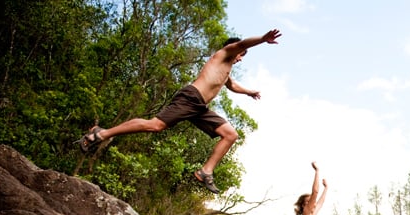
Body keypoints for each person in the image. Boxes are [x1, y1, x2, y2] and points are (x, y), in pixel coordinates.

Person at [76, 29, 282, 194]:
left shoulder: (227, 68)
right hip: (190, 98)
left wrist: (249, 92)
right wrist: (263, 39)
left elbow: (231, 85)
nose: (240, 59)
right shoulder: (223, 54)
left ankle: (205, 172)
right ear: (234, 49)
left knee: (230, 135)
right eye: (241, 55)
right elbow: (243, 43)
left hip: (200, 108)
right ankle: (100, 134)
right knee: (155, 125)